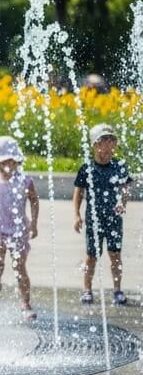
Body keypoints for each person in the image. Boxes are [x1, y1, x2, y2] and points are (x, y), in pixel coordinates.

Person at [0, 136, 39, 319]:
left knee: (19, 267)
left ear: (16, 160)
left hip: (19, 232)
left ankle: (25, 305)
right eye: (1, 162)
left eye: (9, 161)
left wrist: (34, 223)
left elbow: (34, 200)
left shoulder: (25, 181)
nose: (5, 165)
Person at [74, 123, 131, 306]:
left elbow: (125, 189)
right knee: (91, 255)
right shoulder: (87, 169)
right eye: (103, 142)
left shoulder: (119, 166)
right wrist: (76, 215)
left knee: (115, 254)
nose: (107, 147)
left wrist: (122, 203)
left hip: (114, 219)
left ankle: (117, 290)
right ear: (94, 145)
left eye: (110, 141)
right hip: (94, 219)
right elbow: (78, 193)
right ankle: (87, 290)